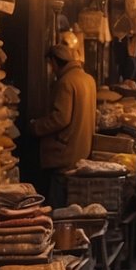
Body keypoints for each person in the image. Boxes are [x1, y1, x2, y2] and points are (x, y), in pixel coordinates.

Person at [31, 44, 97, 207]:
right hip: (82, 150)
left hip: (65, 155)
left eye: (50, 64)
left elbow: (61, 118)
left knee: (58, 208)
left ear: (55, 61)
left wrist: (36, 126)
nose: (51, 69)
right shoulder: (88, 79)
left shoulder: (66, 82)